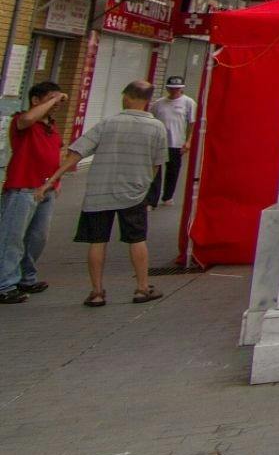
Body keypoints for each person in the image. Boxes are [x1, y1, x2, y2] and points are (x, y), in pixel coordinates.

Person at [35, 81, 168, 307]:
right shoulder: (157, 127)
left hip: (99, 191)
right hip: (133, 191)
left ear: (127, 97)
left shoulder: (108, 123)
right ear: (147, 100)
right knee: (137, 238)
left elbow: (77, 153)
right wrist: (146, 183)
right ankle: (142, 288)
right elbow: (157, 164)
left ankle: (96, 293)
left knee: (97, 241)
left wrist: (51, 180)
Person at [0, 81, 67, 304]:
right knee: (12, 237)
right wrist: (53, 100)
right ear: (36, 100)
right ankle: (4, 283)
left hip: (45, 189)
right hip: (22, 188)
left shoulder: (52, 127)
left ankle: (26, 277)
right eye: (50, 99)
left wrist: (56, 182)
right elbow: (28, 119)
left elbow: (57, 154)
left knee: (37, 238)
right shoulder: (23, 121)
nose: (56, 105)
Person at [147, 73, 197, 207]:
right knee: (155, 171)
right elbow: (151, 120)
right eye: (171, 88)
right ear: (167, 89)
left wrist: (188, 141)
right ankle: (152, 200)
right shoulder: (159, 103)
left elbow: (192, 123)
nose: (174, 91)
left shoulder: (188, 102)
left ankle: (168, 196)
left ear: (181, 88)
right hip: (159, 142)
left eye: (177, 88)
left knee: (173, 171)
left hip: (176, 143)